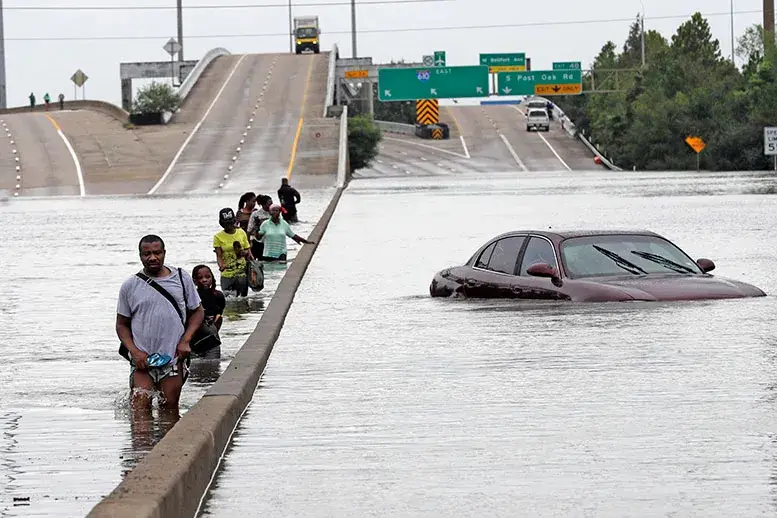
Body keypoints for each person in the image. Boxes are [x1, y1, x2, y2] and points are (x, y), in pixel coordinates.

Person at [116, 235, 204, 410]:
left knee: (170, 412)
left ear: (164, 253)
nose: (152, 258)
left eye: (157, 253)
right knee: (139, 414)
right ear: (140, 255)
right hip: (142, 362)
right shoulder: (130, 286)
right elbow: (121, 325)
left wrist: (186, 341)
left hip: (173, 359)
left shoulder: (180, 278)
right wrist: (134, 351)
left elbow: (197, 312)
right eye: (147, 254)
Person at [213, 207, 253, 297]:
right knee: (228, 300)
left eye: (230, 223)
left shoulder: (241, 232)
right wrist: (221, 265)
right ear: (221, 224)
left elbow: (248, 250)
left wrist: (245, 253)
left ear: (234, 221)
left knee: (243, 299)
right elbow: (219, 255)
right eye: (226, 224)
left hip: (242, 273)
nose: (228, 226)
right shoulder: (217, 237)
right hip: (227, 274)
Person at [191, 265, 225, 359]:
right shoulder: (193, 298)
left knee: (213, 364)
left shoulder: (218, 296)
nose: (204, 280)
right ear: (194, 281)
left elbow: (219, 316)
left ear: (212, 278)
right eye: (200, 278)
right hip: (195, 338)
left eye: (207, 277)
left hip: (212, 337)